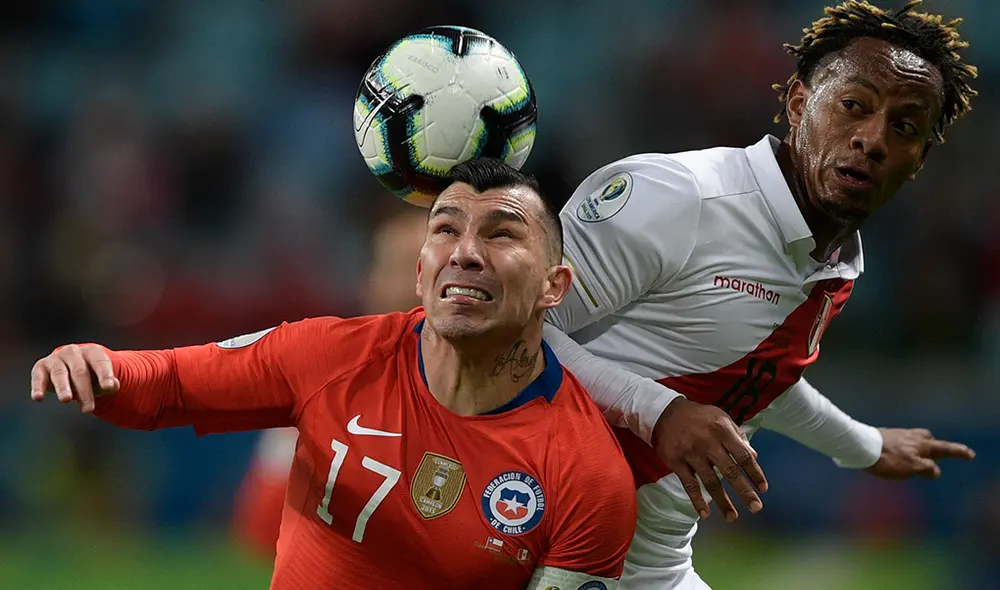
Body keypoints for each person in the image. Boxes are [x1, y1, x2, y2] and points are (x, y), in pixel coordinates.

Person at [30, 158, 638, 590]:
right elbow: (168, 384)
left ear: (554, 287)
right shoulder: (329, 356)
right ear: (421, 274)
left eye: (501, 234)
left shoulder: (589, 476)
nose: (466, 251)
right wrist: (97, 366)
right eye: (446, 230)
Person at [541, 1, 979, 588]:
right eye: (854, 106)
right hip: (542, 536)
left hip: (651, 567)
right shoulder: (676, 197)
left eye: (903, 127)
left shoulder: (835, 261)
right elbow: (513, 336)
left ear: (918, 159)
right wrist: (658, 412)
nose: (872, 139)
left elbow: (757, 380)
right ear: (799, 103)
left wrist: (865, 447)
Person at [232, 203, 428, 558]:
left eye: (435, 267)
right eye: (405, 267)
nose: (420, 286)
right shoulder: (320, 384)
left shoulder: (509, 391)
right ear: (371, 284)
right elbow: (262, 529)